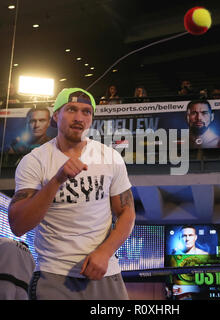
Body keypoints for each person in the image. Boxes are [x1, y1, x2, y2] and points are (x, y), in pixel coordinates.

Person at [8, 87, 136, 300]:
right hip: (55, 275)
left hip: (105, 272)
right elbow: (18, 225)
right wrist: (57, 180)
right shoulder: (35, 161)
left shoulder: (110, 157)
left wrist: (105, 253)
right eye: (71, 109)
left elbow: (127, 213)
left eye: (86, 112)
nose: (79, 117)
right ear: (56, 116)